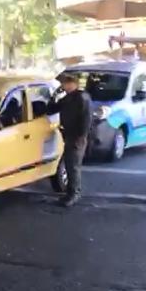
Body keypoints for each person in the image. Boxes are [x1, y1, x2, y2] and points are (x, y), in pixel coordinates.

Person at [47, 73, 92, 207]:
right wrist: (54, 95)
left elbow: (86, 119)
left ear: (73, 83)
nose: (63, 86)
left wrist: (81, 137)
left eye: (65, 84)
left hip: (77, 137)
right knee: (69, 164)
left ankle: (74, 194)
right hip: (69, 135)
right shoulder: (68, 98)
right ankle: (70, 193)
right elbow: (51, 109)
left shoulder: (82, 98)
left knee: (73, 166)